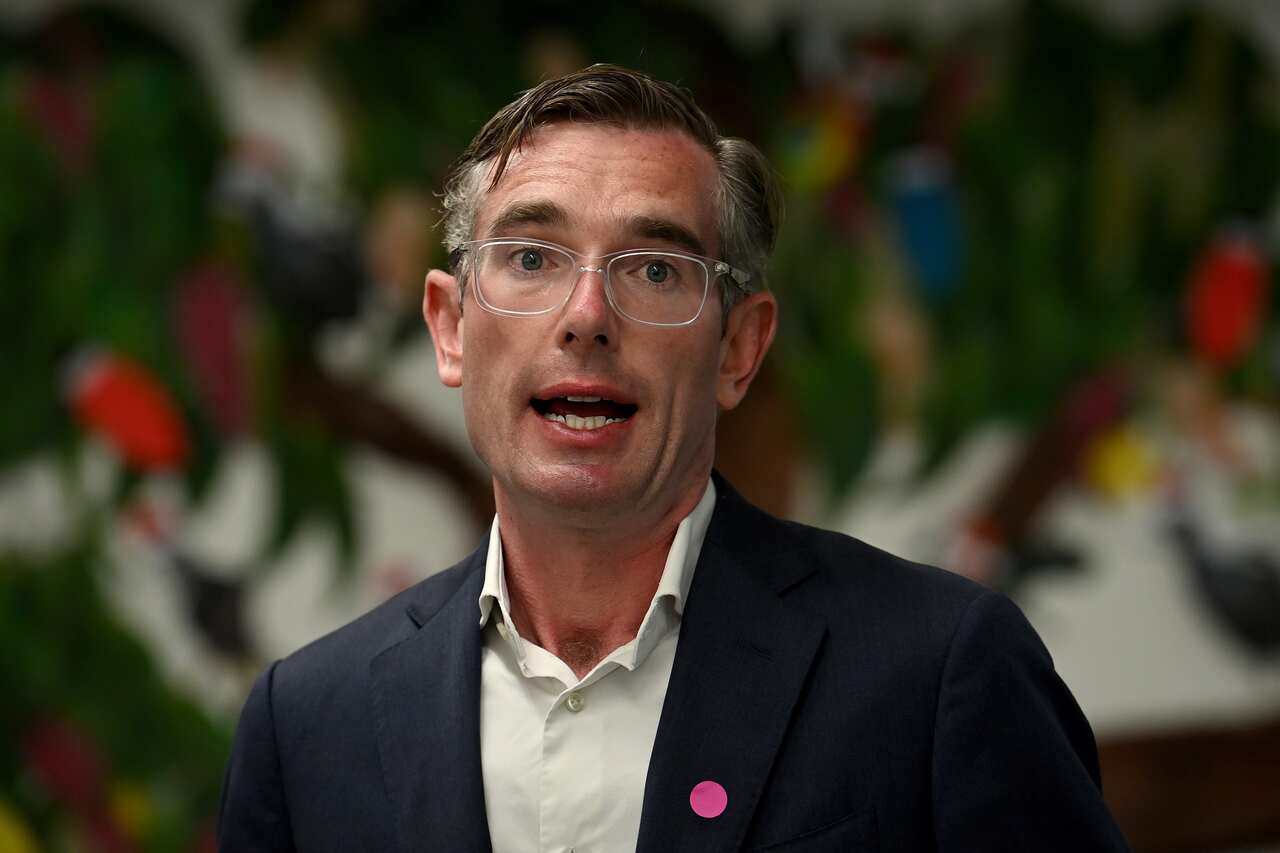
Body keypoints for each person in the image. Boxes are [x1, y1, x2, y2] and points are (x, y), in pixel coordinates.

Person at [218, 64, 1129, 852]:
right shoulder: (306, 723)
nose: (586, 314)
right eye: (532, 257)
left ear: (738, 348)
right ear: (451, 329)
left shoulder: (940, 670)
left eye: (655, 269)